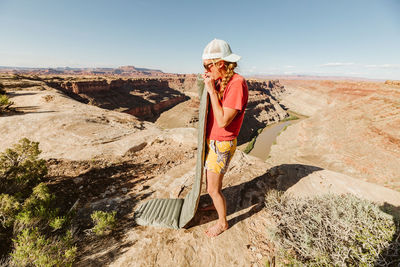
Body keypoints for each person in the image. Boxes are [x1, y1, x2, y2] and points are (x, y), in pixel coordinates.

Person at [201, 39, 248, 237]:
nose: (206, 70)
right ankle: (215, 205)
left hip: (222, 143)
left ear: (220, 64)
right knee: (211, 184)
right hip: (213, 140)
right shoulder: (222, 79)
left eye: (207, 66)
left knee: (212, 188)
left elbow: (223, 121)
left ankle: (222, 223)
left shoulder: (237, 84)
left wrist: (211, 90)